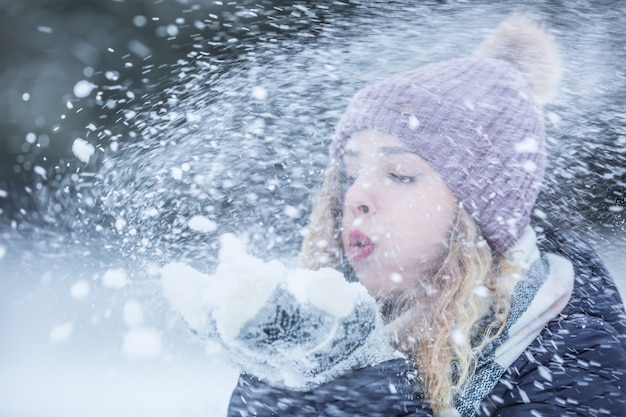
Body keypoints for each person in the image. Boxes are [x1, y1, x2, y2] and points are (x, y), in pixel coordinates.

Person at [223, 14, 626, 416]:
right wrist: (285, 379)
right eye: (349, 175)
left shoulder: (570, 363)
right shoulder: (330, 327)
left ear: (478, 215)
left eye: (400, 174)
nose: (356, 196)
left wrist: (360, 394)